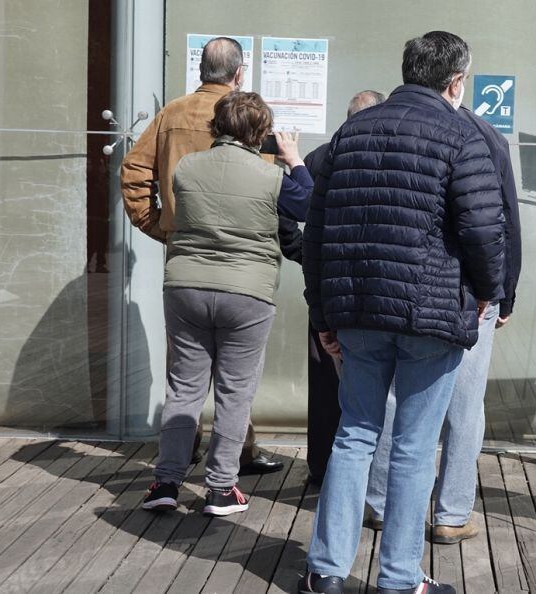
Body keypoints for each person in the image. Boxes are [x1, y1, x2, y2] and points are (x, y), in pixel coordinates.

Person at [299, 31, 505, 594]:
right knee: (415, 448)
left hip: (359, 312)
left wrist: (322, 315)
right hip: (431, 314)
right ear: (456, 81)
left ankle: (326, 573)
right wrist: (488, 293)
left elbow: (316, 235)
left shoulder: (350, 133)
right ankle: (397, 579)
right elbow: (485, 229)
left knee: (354, 436)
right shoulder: (463, 135)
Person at [140, 92, 312, 515]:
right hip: (246, 294)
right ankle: (220, 488)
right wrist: (294, 159)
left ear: (216, 126)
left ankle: (166, 482)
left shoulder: (186, 168)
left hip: (186, 288)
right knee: (234, 394)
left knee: (183, 389)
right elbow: (308, 203)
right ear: (261, 133)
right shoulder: (270, 176)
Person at [120, 36, 282, 475]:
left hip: (186, 260)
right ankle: (234, 459)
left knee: (185, 373)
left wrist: (161, 227)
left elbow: (133, 172)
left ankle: (179, 457)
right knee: (236, 380)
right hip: (243, 265)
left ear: (200, 69)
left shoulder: (172, 112)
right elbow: (270, 191)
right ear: (238, 73)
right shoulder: (248, 115)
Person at [363, 102, 522, 544]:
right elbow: (500, 221)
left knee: (395, 396)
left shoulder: (381, 124)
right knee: (465, 404)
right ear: (456, 81)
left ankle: (380, 504)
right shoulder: (483, 135)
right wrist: (502, 290)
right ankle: (451, 514)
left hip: (393, 284)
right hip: (467, 292)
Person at [289, 90, 388, 485]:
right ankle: (369, 474)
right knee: (377, 386)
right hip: (373, 292)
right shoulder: (384, 156)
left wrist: (303, 254)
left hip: (328, 290)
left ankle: (323, 466)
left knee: (326, 382)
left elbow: (286, 211)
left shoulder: (318, 158)